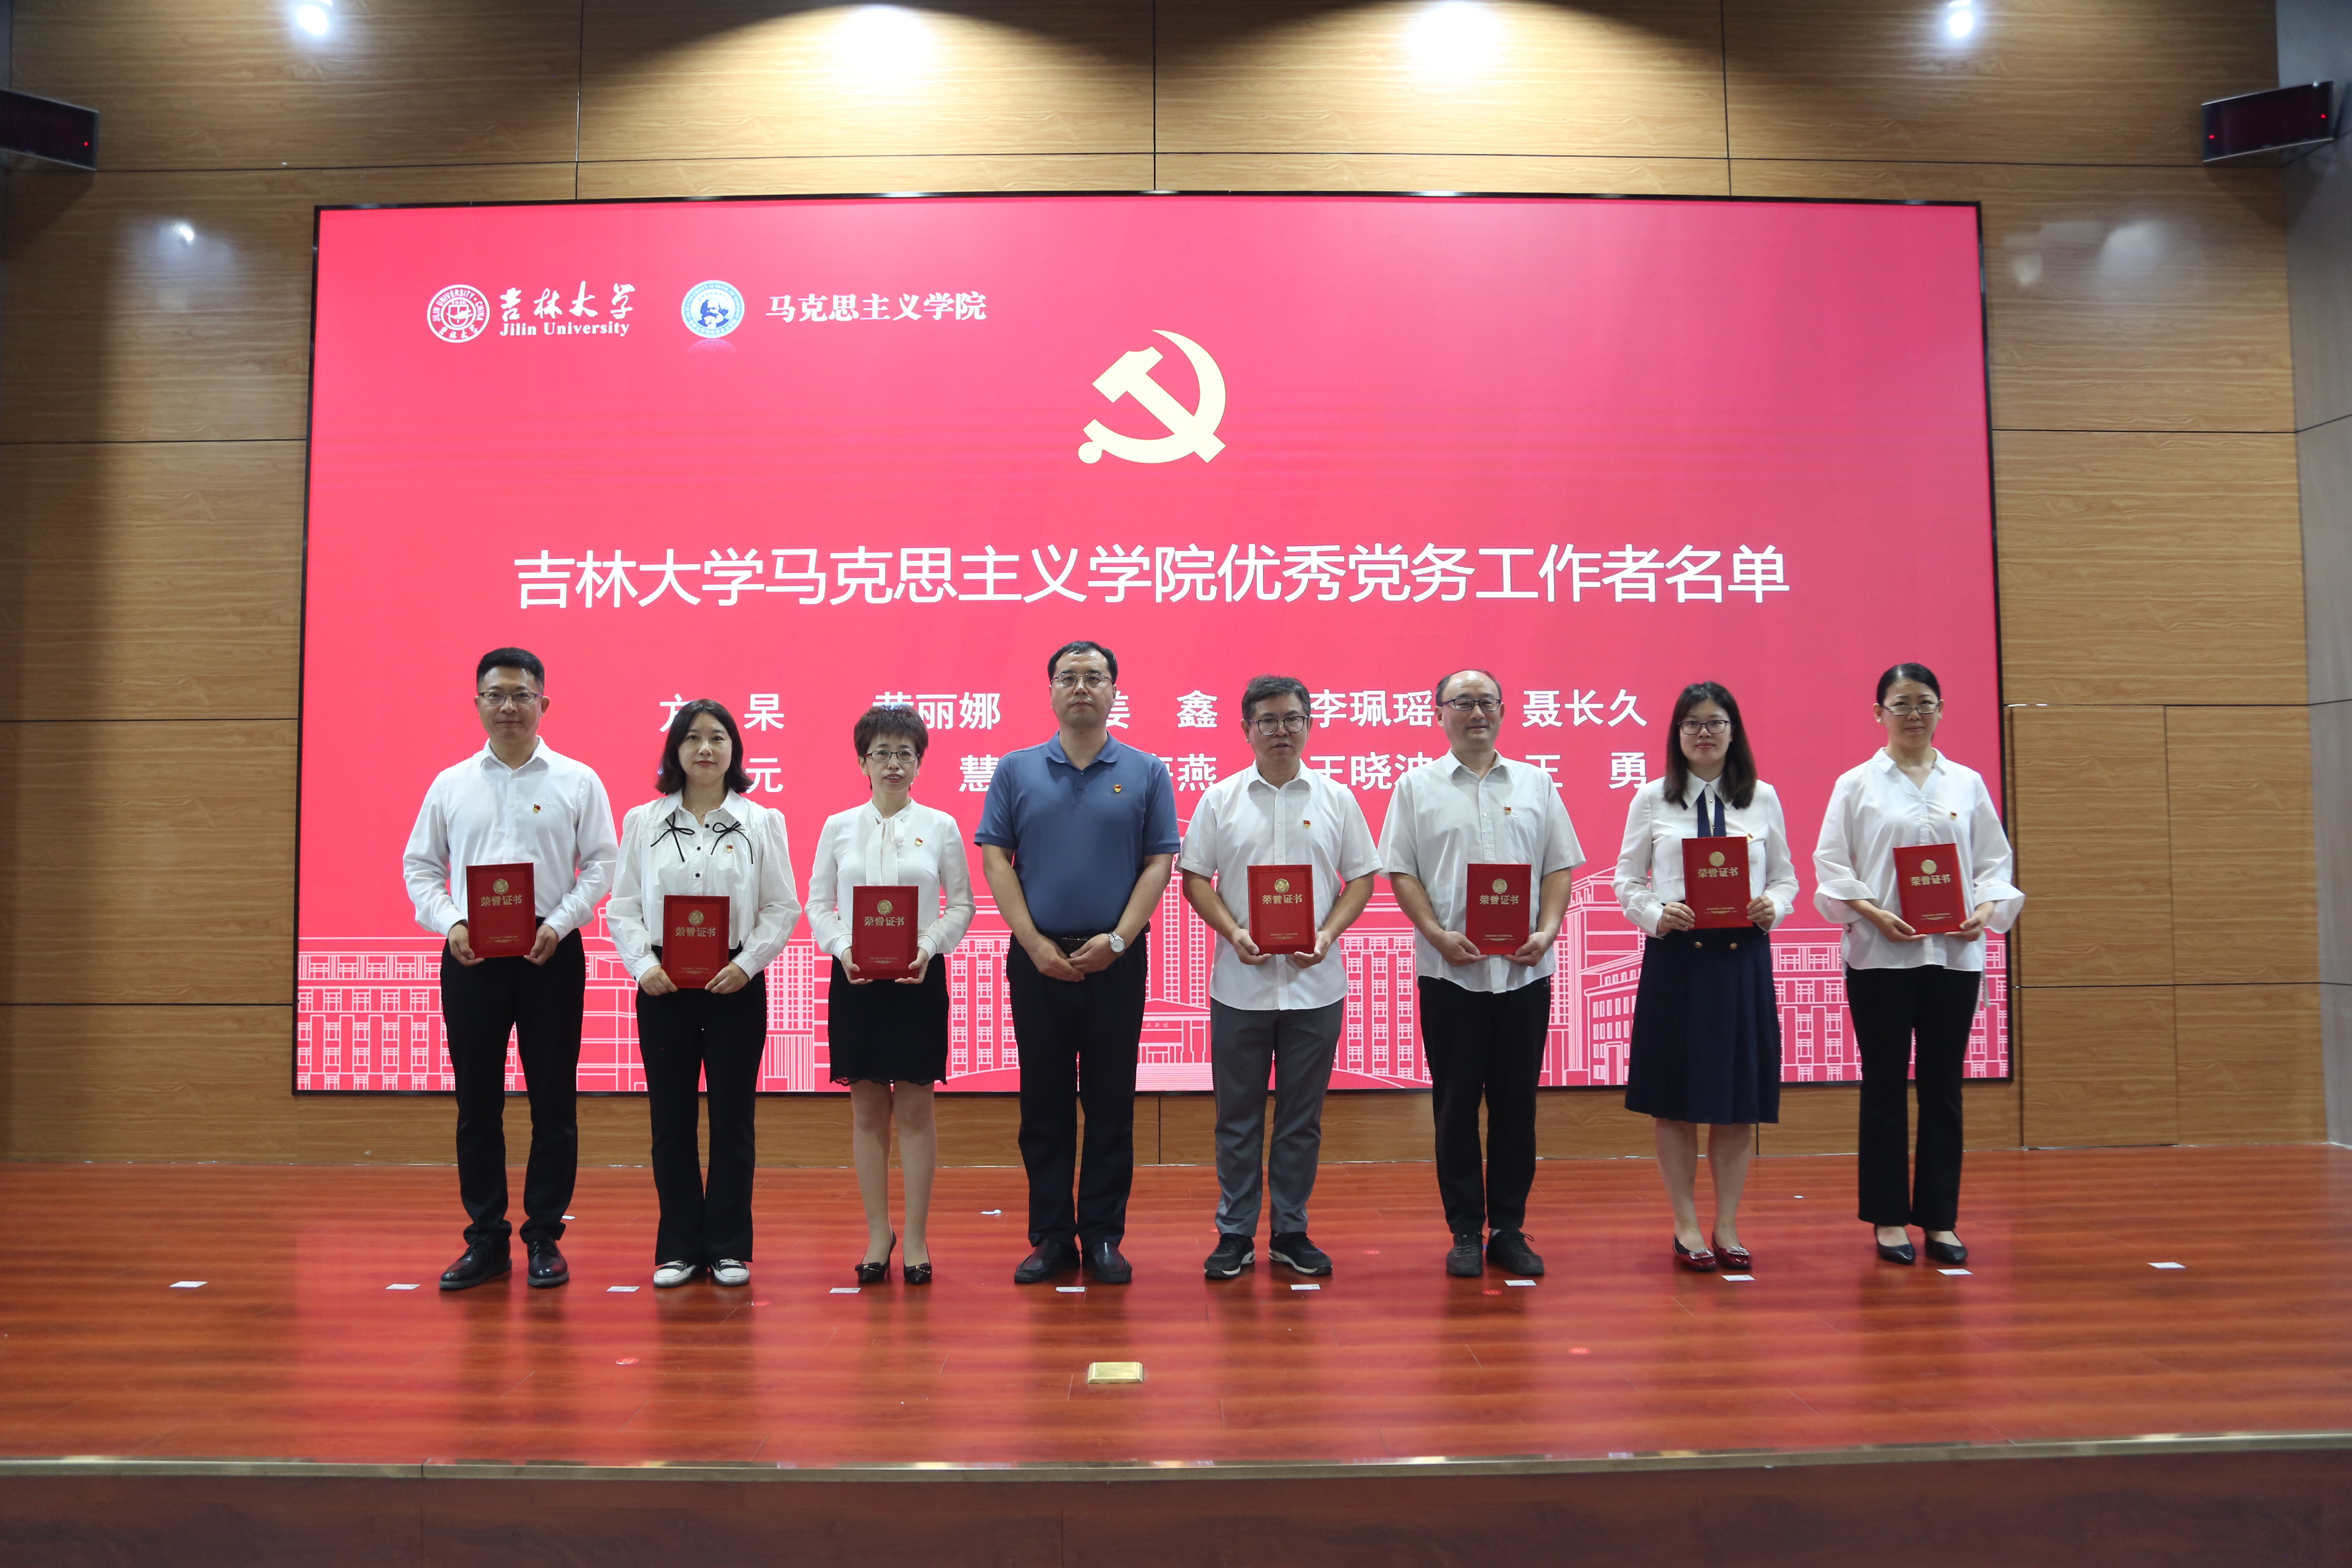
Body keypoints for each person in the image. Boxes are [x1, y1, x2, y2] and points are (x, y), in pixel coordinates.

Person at [402, 647, 619, 1292]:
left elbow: (602, 864)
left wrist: (561, 921)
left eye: (521, 695)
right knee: (477, 1102)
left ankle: (544, 1235)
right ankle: (486, 1238)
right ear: (477, 704)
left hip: (551, 952)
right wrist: (452, 923)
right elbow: (421, 867)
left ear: (543, 703)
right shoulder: (450, 784)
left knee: (553, 1100)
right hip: (472, 957)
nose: (508, 707)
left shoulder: (577, 780)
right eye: (495, 695)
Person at [977, 641, 1179, 1286]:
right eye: (1069, 677)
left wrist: (1118, 939)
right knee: (1043, 1103)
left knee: (1110, 1102)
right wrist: (1034, 943)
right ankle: (1051, 1236)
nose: (1082, 687)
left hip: (1116, 958)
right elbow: (995, 858)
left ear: (1115, 690)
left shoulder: (1146, 770)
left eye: (1095, 677)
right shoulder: (1016, 769)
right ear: (1051, 691)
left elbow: (1159, 862)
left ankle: (1103, 1235)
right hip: (1037, 958)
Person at [1814, 663, 2023, 1267]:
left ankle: (1940, 1219)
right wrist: (1874, 914)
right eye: (1901, 703)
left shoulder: (1967, 783)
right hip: (1880, 954)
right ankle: (1887, 1218)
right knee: (1884, 1085)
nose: (1913, 714)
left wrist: (1985, 909)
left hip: (1954, 955)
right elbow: (1832, 864)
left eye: (1924, 703)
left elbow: (1995, 863)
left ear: (1941, 710)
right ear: (1878, 712)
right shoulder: (1856, 784)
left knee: (1943, 1088)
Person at [1379, 669, 1583, 1278]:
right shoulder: (1415, 787)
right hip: (1451, 975)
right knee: (1456, 1104)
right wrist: (1436, 934)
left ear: (1503, 710)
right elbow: (1402, 872)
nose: (1476, 713)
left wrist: (1548, 929)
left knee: (1517, 1105)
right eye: (1463, 702)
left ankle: (1510, 1229)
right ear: (1438, 712)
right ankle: (1466, 1229)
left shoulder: (1537, 782)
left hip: (1524, 974)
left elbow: (1558, 867)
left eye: (1486, 702)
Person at [1178, 675, 1379, 1280]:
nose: (1281, 730)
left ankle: (1291, 1229)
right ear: (1247, 729)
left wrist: (1328, 933)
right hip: (1240, 987)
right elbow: (1195, 878)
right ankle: (1235, 1233)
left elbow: (1362, 878)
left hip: (1316, 987)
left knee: (1300, 1119)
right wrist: (1234, 932)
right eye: (1267, 720)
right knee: (1236, 1118)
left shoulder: (1337, 797)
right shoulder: (1221, 799)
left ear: (1309, 725)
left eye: (1292, 718)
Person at [605, 700, 801, 1289]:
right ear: (676, 750)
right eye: (692, 738)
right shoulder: (643, 821)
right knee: (670, 1120)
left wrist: (747, 965)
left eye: (717, 738)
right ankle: (678, 1248)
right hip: (663, 985)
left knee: (733, 1119)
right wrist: (643, 965)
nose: (705, 749)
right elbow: (623, 906)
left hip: (735, 984)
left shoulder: (761, 822)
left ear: (734, 749)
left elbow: (782, 906)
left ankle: (728, 1247)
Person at [1613, 682, 1798, 1274]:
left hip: (1741, 962)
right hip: (1678, 960)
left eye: (1715, 722)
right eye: (1691, 723)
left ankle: (1728, 1225)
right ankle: (1686, 1222)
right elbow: (1626, 880)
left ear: (1733, 731)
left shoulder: (1762, 798)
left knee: (1737, 1101)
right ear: (1677, 734)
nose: (1704, 733)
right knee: (1675, 1100)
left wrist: (1774, 904)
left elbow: (1787, 879)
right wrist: (1655, 913)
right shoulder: (1652, 798)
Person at [805, 705, 975, 1286]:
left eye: (906, 753)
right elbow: (818, 903)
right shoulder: (838, 826)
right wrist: (843, 947)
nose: (894, 764)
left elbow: (962, 904)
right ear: (863, 762)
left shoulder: (941, 825)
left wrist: (928, 945)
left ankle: (917, 1237)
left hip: (918, 980)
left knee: (917, 1108)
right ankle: (879, 1233)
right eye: (882, 753)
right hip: (855, 979)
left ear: (919, 763)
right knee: (866, 1108)